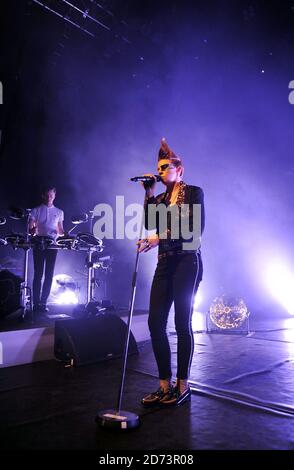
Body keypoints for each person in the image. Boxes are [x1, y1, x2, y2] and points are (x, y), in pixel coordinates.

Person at [137, 138, 205, 406]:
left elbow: (193, 230)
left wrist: (157, 238)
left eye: (166, 166)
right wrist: (148, 193)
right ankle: (164, 385)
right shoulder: (162, 198)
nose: (162, 170)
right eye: (159, 168)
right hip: (165, 263)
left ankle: (183, 384)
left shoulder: (194, 193)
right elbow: (150, 223)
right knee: (155, 322)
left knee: (181, 323)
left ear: (180, 170)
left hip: (188, 262)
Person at [28, 186, 64, 313]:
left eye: (51, 196)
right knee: (38, 274)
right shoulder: (35, 210)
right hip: (39, 243)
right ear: (43, 196)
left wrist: (62, 233)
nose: (49, 198)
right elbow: (30, 229)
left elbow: (60, 230)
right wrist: (33, 230)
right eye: (47, 196)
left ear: (54, 196)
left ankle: (43, 303)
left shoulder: (59, 212)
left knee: (49, 275)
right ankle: (35, 303)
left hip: (52, 245)